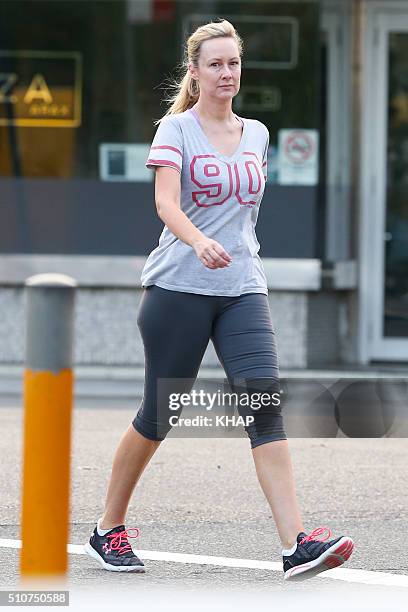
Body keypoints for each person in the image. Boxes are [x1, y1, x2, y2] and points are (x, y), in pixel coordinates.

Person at [84, 18, 354, 582]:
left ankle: (295, 544)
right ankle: (108, 528)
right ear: (196, 71)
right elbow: (165, 203)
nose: (227, 73)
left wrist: (230, 248)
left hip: (242, 290)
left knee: (264, 406)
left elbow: (244, 214)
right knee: (161, 413)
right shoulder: (174, 131)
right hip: (178, 288)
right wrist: (199, 239)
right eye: (216, 64)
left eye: (234, 63)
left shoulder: (257, 132)